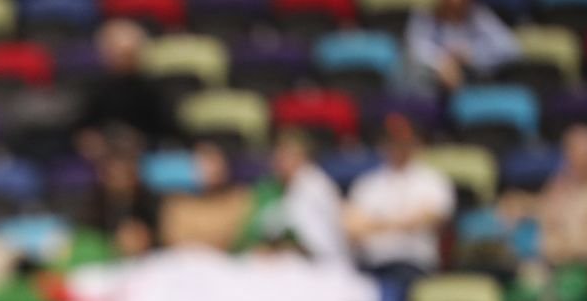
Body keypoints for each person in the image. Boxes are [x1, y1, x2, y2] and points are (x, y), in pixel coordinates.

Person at [343, 114, 454, 283]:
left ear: (416, 143)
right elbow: (353, 229)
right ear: (383, 144)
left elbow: (433, 218)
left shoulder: (432, 180)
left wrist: (376, 225)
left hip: (414, 262)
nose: (398, 148)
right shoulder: (367, 183)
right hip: (371, 263)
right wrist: (403, 222)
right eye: (392, 142)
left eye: (404, 142)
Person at [520, 125, 587, 267]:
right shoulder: (559, 185)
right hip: (554, 260)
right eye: (570, 153)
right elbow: (545, 225)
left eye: (585, 156)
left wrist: (565, 249)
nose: (574, 160)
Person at [75, 20, 179, 162]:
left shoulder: (154, 90)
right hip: (104, 158)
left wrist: (140, 142)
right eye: (115, 52)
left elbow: (169, 133)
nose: (121, 59)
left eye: (127, 53)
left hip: (147, 157)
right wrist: (92, 140)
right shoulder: (94, 88)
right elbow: (82, 128)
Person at [405, 0, 520, 93]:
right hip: (430, 85)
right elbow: (415, 50)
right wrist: (443, 62)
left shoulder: (479, 16)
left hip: (476, 83)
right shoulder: (424, 16)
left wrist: (472, 55)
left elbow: (511, 48)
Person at [256, 132, 349, 264]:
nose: (278, 162)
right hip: (297, 260)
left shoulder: (314, 186)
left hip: (324, 262)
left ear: (302, 157)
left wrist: (282, 249)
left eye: (285, 156)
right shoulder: (276, 186)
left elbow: (317, 241)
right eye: (277, 156)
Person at [159, 143, 253, 252]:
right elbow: (173, 239)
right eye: (203, 163)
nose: (211, 170)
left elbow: (242, 237)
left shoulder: (241, 197)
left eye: (214, 162)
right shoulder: (177, 202)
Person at [84, 144, 159, 258]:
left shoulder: (150, 204)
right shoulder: (93, 208)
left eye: (125, 173)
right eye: (113, 174)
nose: (120, 179)